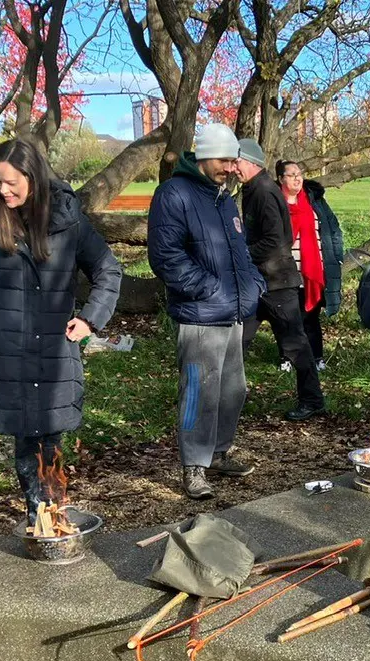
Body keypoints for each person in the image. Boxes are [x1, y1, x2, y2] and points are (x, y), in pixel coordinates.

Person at [0, 139, 122, 524]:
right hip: (6, 344)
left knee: (52, 426)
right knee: (24, 431)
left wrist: (90, 318)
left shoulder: (67, 217)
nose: (3, 190)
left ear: (33, 176)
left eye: (11, 182)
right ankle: (38, 511)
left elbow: (108, 270)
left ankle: (52, 505)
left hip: (54, 345)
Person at [148, 124, 265, 500]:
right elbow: (165, 256)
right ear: (202, 156)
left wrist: (253, 284)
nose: (231, 168)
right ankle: (194, 467)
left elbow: (239, 251)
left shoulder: (224, 198)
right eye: (223, 160)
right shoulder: (174, 194)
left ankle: (217, 453)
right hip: (199, 314)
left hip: (233, 311)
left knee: (233, 388)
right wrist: (208, 288)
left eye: (234, 161)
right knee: (199, 391)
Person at [236, 138, 326, 421]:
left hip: (277, 284)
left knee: (296, 344)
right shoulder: (254, 189)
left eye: (235, 162)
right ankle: (228, 399)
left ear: (250, 162)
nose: (231, 168)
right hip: (259, 282)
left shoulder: (263, 192)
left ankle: (312, 400)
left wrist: (239, 253)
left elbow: (277, 241)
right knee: (236, 341)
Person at [276, 159, 345, 371]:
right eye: (291, 174)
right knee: (287, 317)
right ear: (280, 179)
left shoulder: (315, 201)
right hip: (285, 271)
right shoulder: (274, 202)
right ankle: (287, 358)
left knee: (311, 316)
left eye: (299, 173)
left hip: (313, 271)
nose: (297, 178)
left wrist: (337, 254)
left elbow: (333, 229)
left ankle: (316, 357)